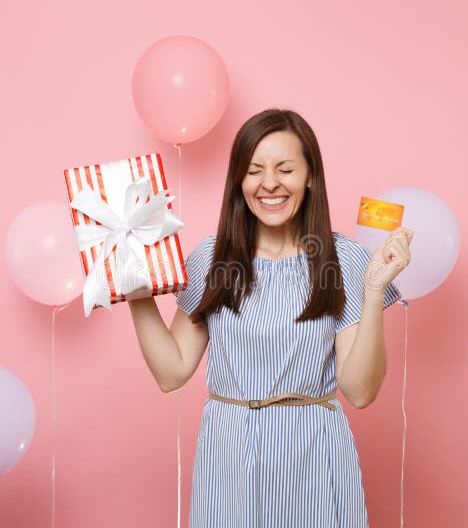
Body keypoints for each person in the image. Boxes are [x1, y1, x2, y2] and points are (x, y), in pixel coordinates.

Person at [128, 109, 413, 527]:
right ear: (239, 181)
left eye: (285, 169)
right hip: (228, 459)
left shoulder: (345, 259)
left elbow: (361, 391)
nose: (269, 184)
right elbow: (171, 373)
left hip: (314, 459)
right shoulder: (212, 258)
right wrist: (135, 291)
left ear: (310, 176)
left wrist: (372, 292)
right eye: (254, 170)